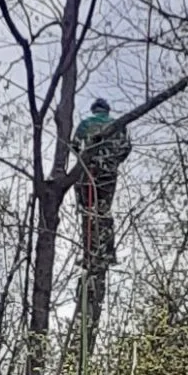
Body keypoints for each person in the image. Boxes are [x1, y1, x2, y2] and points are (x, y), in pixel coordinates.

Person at [71, 99, 131, 269]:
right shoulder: (118, 125)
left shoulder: (85, 124)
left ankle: (88, 253)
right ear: (107, 110)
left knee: (87, 211)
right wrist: (113, 162)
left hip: (88, 171)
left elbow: (74, 145)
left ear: (93, 110)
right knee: (103, 211)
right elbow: (126, 148)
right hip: (108, 174)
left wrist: (84, 159)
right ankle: (107, 252)